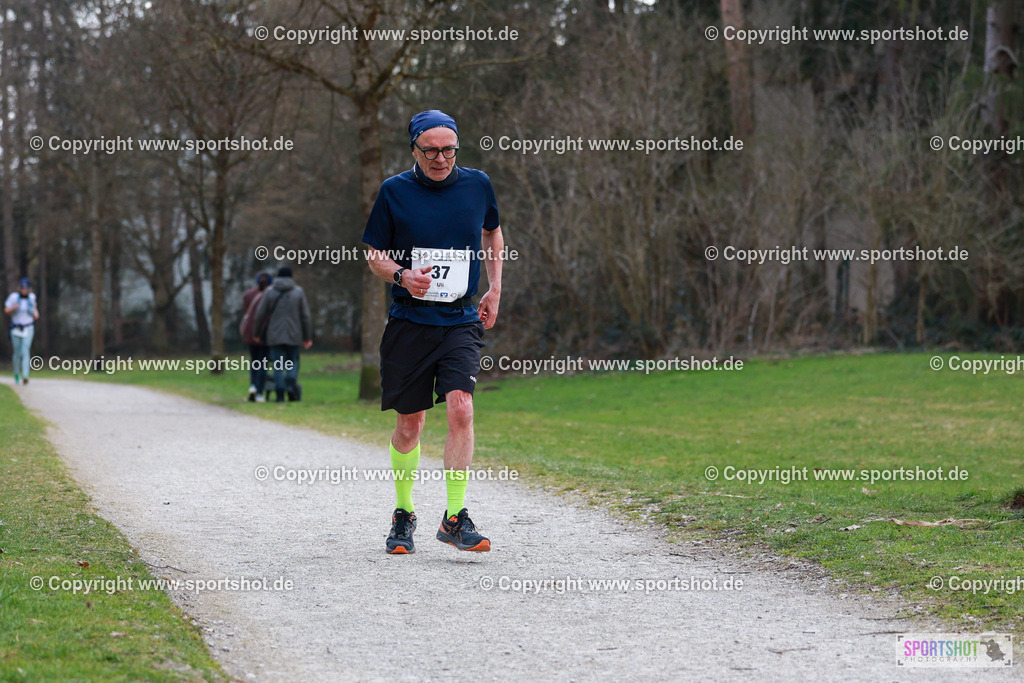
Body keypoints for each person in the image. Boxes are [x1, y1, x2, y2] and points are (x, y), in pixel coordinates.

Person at [363, 109, 504, 554]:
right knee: (411, 425)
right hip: (410, 322)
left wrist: (496, 288)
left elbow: (493, 233)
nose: (441, 158)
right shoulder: (394, 192)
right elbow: (374, 255)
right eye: (431, 151)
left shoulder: (478, 184)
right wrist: (402, 275)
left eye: (448, 150)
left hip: (460, 319)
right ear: (415, 150)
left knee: (461, 409)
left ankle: (455, 517)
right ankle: (403, 514)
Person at [252, 266, 312, 403]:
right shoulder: (298, 292)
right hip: (294, 334)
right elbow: (305, 316)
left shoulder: (270, 292)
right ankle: (290, 384)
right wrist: (307, 337)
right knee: (292, 361)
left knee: (278, 365)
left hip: (275, 335)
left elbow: (260, 314)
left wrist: (256, 333)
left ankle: (280, 394)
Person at [240, 271, 273, 402]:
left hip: (250, 332)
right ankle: (259, 391)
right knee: (263, 363)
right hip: (264, 333)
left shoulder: (248, 294)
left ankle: (252, 386)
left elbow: (246, 312)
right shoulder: (271, 295)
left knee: (254, 361)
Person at [5, 278, 40, 385]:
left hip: (28, 327)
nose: (24, 290)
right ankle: (16, 373)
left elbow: (35, 312)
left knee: (25, 350)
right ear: (20, 288)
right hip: (16, 328)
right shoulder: (13, 297)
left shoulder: (32, 298)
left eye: (26, 288)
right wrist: (13, 308)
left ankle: (25, 375)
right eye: (23, 288)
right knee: (17, 353)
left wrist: (35, 314)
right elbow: (6, 310)